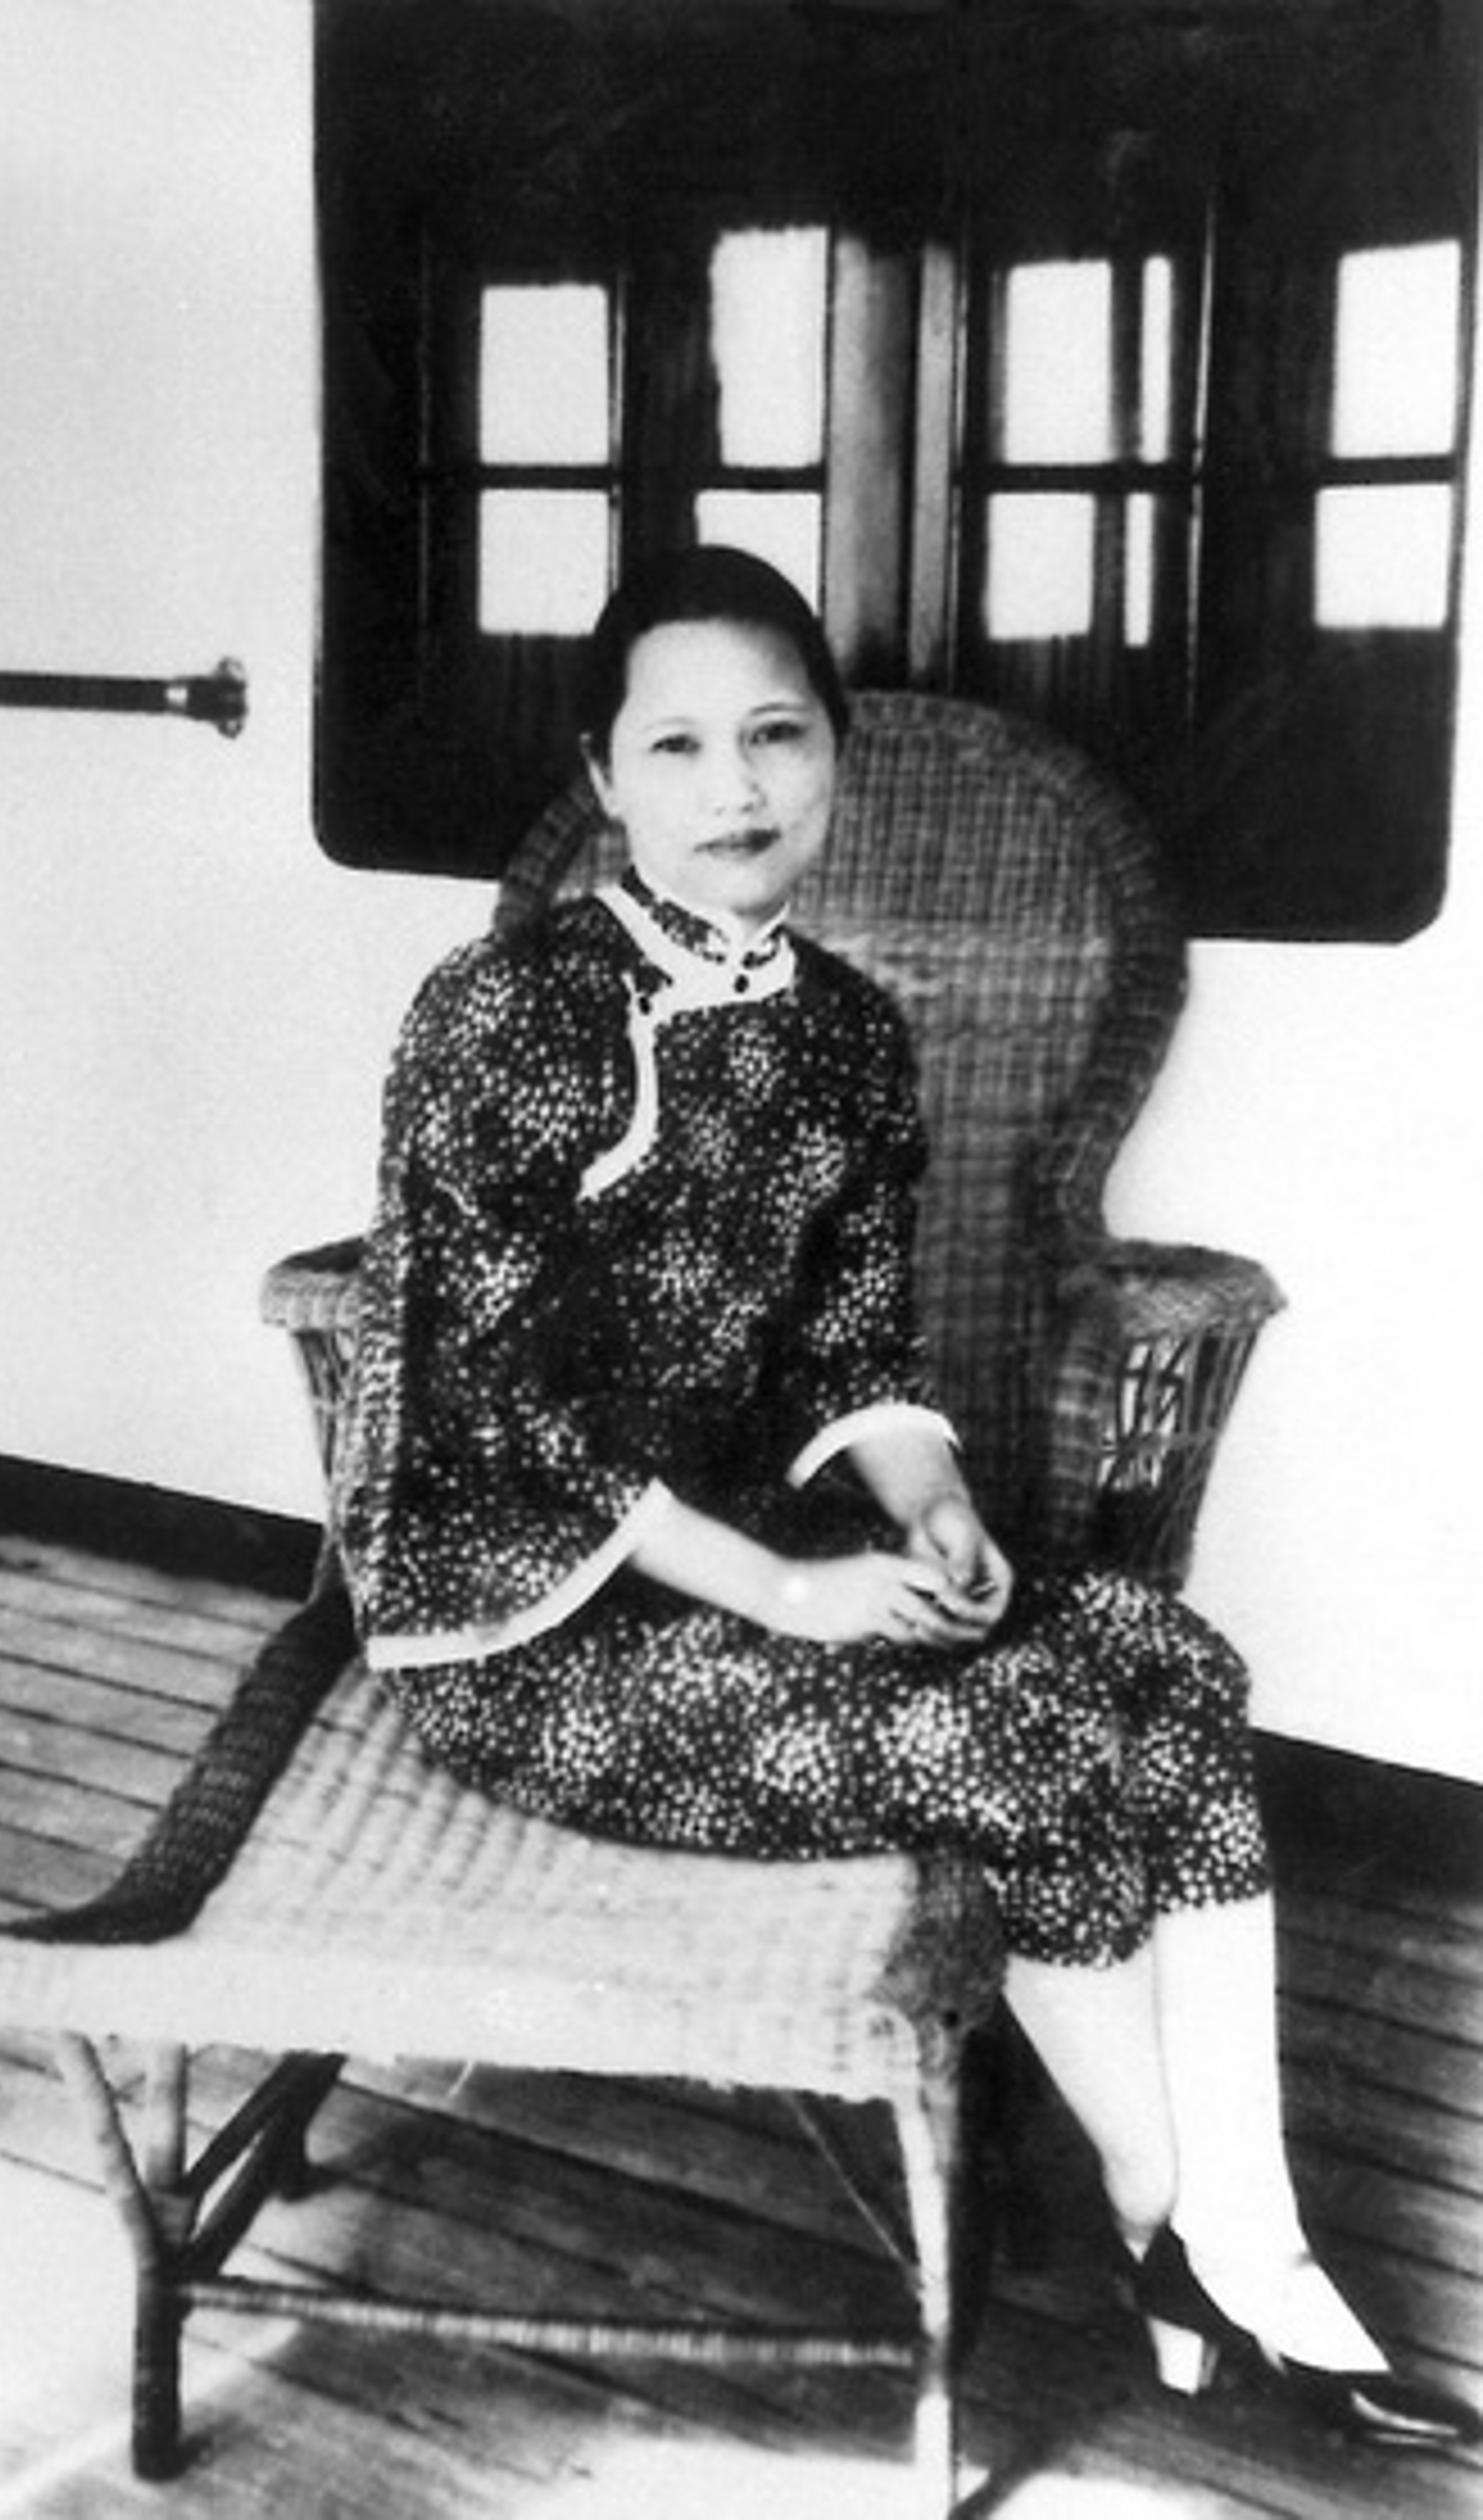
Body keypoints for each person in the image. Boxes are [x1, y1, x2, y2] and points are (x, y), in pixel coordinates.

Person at [332, 544, 1477, 2452]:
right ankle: (1199, 2236)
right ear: (603, 777)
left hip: (746, 1562)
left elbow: (852, 1348)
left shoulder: (849, 1029)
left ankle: (1220, 2245)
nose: (737, 786)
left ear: (834, 756)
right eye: (678, 745)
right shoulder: (508, 1008)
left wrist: (931, 1503)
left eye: (777, 735)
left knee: (1171, 1666)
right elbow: (499, 1402)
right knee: (1035, 1744)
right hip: (527, 1622)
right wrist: (792, 1594)